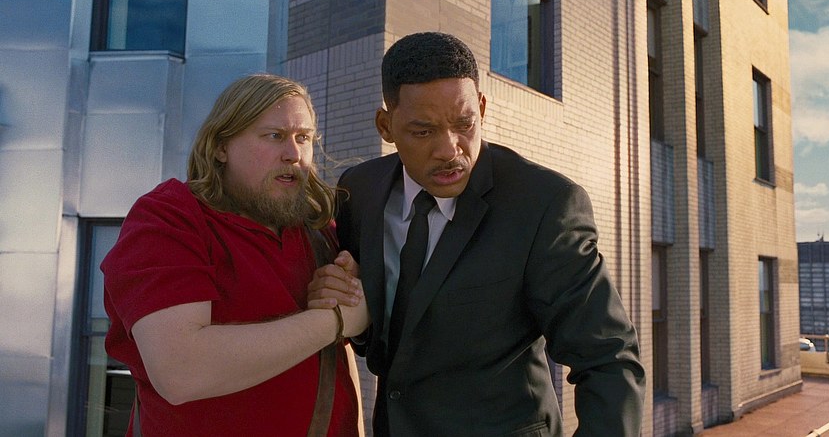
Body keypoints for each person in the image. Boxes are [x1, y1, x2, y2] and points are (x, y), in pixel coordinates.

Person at [308, 32, 646, 436]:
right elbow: (384, 340)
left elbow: (609, 360)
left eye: (464, 124)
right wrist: (351, 304)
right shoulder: (358, 191)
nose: (450, 150)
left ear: (482, 108)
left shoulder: (544, 204)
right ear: (386, 126)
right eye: (423, 131)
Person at [102, 73, 369, 436]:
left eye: (303, 138)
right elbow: (181, 371)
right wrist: (335, 321)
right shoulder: (169, 217)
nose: (293, 154)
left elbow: (337, 362)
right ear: (220, 147)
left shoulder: (319, 231)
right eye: (274, 136)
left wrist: (348, 293)